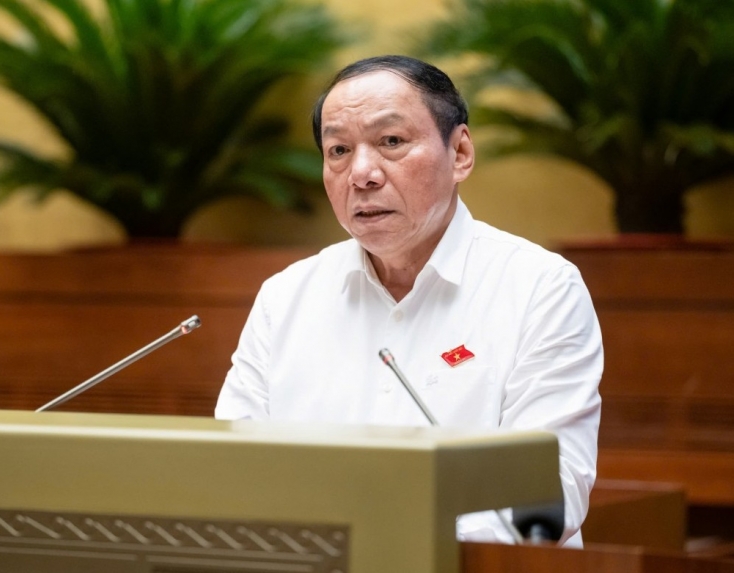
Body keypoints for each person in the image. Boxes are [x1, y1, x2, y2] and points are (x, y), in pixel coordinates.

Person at [215, 55, 602, 547]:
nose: (361, 174)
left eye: (391, 142)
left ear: (460, 153)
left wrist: (389, 542)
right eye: (338, 150)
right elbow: (234, 474)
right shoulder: (286, 297)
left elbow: (547, 500)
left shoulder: (539, 288)